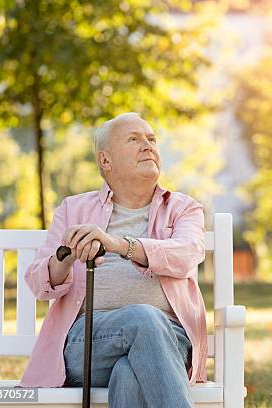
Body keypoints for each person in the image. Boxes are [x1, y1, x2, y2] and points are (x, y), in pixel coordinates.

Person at [19, 112, 207, 408]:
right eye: (134, 139)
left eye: (151, 139)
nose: (147, 145)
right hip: (89, 344)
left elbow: (186, 255)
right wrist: (66, 256)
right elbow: (39, 284)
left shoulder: (183, 208)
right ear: (105, 161)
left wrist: (119, 245)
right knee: (142, 319)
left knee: (129, 374)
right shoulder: (74, 209)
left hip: (170, 338)